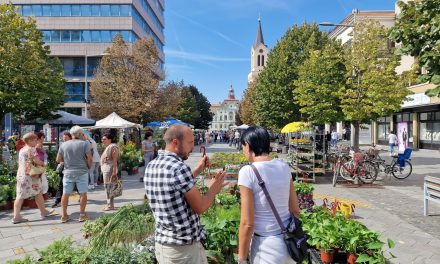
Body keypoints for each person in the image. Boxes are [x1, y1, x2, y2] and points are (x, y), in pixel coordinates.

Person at [144, 124, 227, 264]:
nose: (192, 147)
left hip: (165, 244)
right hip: (183, 250)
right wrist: (213, 189)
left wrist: (196, 170)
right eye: (190, 143)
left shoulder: (153, 164)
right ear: (176, 142)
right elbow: (200, 207)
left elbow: (174, 185)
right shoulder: (179, 167)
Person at [237, 127, 300, 264]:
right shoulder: (283, 166)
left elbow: (247, 223)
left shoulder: (247, 172)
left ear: (247, 146)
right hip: (289, 245)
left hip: (265, 247)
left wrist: (241, 258)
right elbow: (295, 210)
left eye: (242, 146)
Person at [12, 132, 55, 224]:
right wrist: (44, 164)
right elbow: (37, 161)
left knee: (20, 195)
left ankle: (17, 216)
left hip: (21, 174)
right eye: (35, 139)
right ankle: (43, 212)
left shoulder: (22, 149)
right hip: (31, 175)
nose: (37, 140)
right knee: (37, 192)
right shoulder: (32, 149)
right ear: (30, 140)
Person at [56, 126, 92, 223]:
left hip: (68, 172)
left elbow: (58, 159)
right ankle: (82, 215)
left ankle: (64, 215)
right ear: (80, 134)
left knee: (65, 193)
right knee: (83, 193)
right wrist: (88, 166)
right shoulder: (85, 144)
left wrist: (67, 161)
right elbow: (89, 158)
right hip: (82, 171)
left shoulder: (64, 145)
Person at [51, 132, 72, 208]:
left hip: (73, 168)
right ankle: (58, 200)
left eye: (66, 137)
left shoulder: (73, 145)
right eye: (64, 138)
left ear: (70, 137)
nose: (64, 139)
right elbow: (58, 158)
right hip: (64, 167)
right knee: (61, 184)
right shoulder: (62, 145)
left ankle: (82, 196)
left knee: (76, 183)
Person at [100, 133, 120, 211]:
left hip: (110, 170)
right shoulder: (108, 147)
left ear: (109, 139)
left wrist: (114, 171)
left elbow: (115, 160)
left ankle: (110, 205)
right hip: (107, 169)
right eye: (102, 139)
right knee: (109, 187)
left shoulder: (113, 147)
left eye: (104, 139)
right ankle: (110, 204)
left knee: (109, 187)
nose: (102, 140)